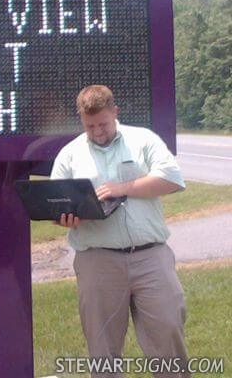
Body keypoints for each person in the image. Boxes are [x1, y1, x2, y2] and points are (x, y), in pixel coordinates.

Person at [51, 85, 188, 378]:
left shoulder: (143, 139)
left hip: (150, 257)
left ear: (115, 112)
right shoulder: (70, 154)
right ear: (82, 121)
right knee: (102, 348)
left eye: (103, 123)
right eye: (90, 126)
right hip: (97, 261)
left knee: (168, 331)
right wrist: (68, 218)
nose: (98, 131)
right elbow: (55, 202)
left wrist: (121, 189)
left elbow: (172, 179)